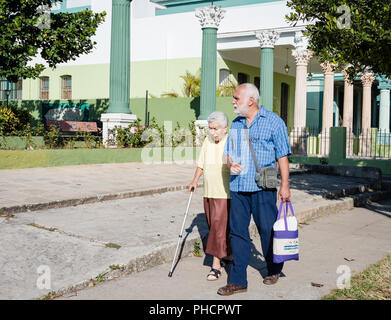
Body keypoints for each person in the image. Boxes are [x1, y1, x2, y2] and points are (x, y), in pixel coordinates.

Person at [217, 83, 291, 296]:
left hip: (262, 188)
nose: (233, 101)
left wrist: (284, 185)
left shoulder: (274, 122)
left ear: (251, 100)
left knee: (267, 230)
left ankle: (274, 267)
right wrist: (230, 163)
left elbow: (282, 156)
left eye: (236, 98)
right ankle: (238, 280)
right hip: (239, 186)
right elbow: (228, 153)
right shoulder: (236, 123)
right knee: (238, 233)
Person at [188, 111, 232, 281]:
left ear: (225, 128)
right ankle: (228, 254)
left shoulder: (230, 141)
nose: (213, 132)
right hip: (209, 191)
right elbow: (201, 163)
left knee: (217, 228)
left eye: (216, 129)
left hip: (224, 193)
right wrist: (194, 181)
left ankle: (215, 265)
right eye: (211, 128)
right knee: (214, 225)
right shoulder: (207, 141)